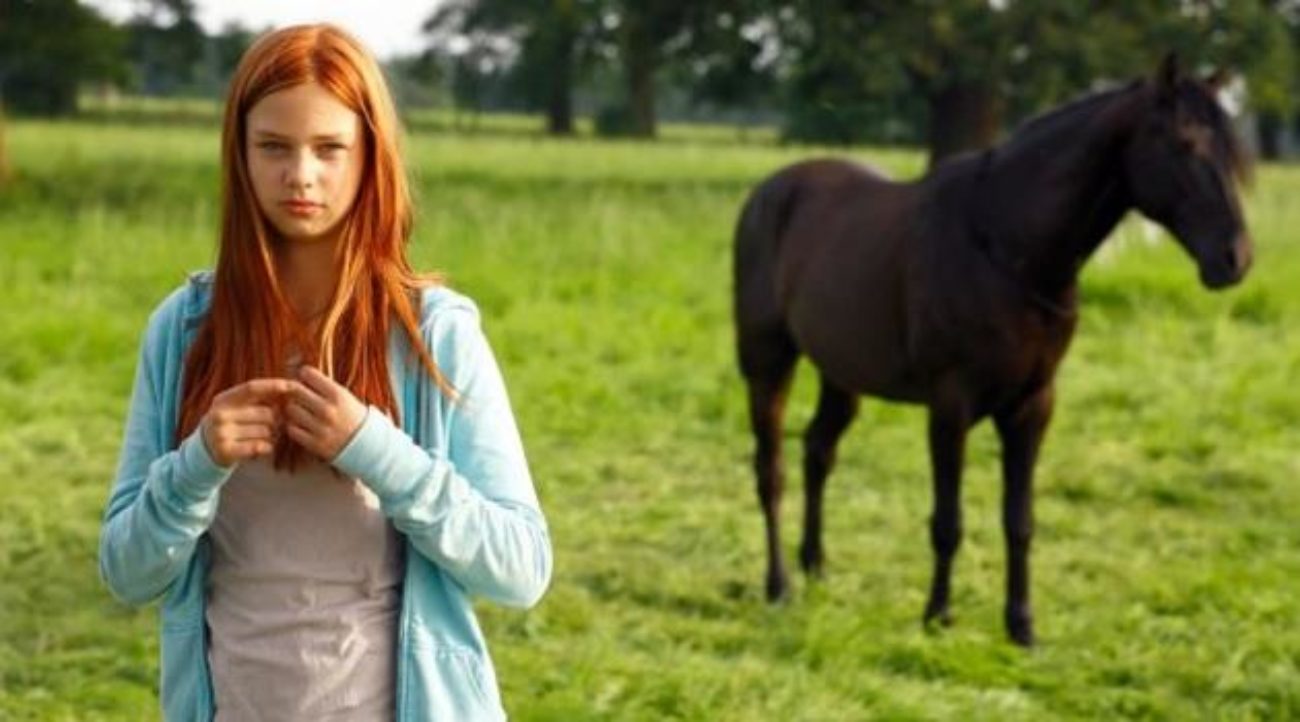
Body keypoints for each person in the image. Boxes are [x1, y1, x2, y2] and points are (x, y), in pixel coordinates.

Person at [98, 24, 551, 722]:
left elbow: (521, 570)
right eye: (273, 146)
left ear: (371, 155)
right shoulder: (184, 330)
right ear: (239, 154)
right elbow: (126, 575)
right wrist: (196, 465)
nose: (301, 175)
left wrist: (377, 450)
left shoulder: (434, 332)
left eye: (330, 148)